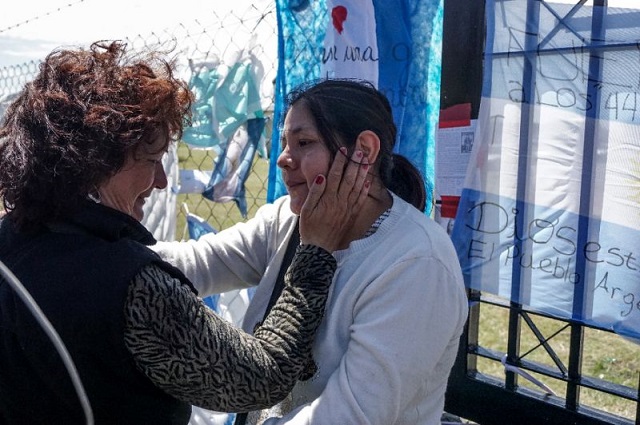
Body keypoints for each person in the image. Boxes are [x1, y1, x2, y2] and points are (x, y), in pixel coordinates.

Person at [0, 42, 370, 425]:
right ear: (94, 164)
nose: (161, 181)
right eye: (150, 161)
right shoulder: (134, 288)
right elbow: (260, 378)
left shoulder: (12, 240)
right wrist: (315, 252)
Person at [153, 79, 469, 425]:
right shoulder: (286, 221)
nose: (283, 160)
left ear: (363, 150)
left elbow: (351, 414)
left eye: (304, 143)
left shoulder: (417, 263)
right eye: (285, 143)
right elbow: (196, 264)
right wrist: (107, 251)